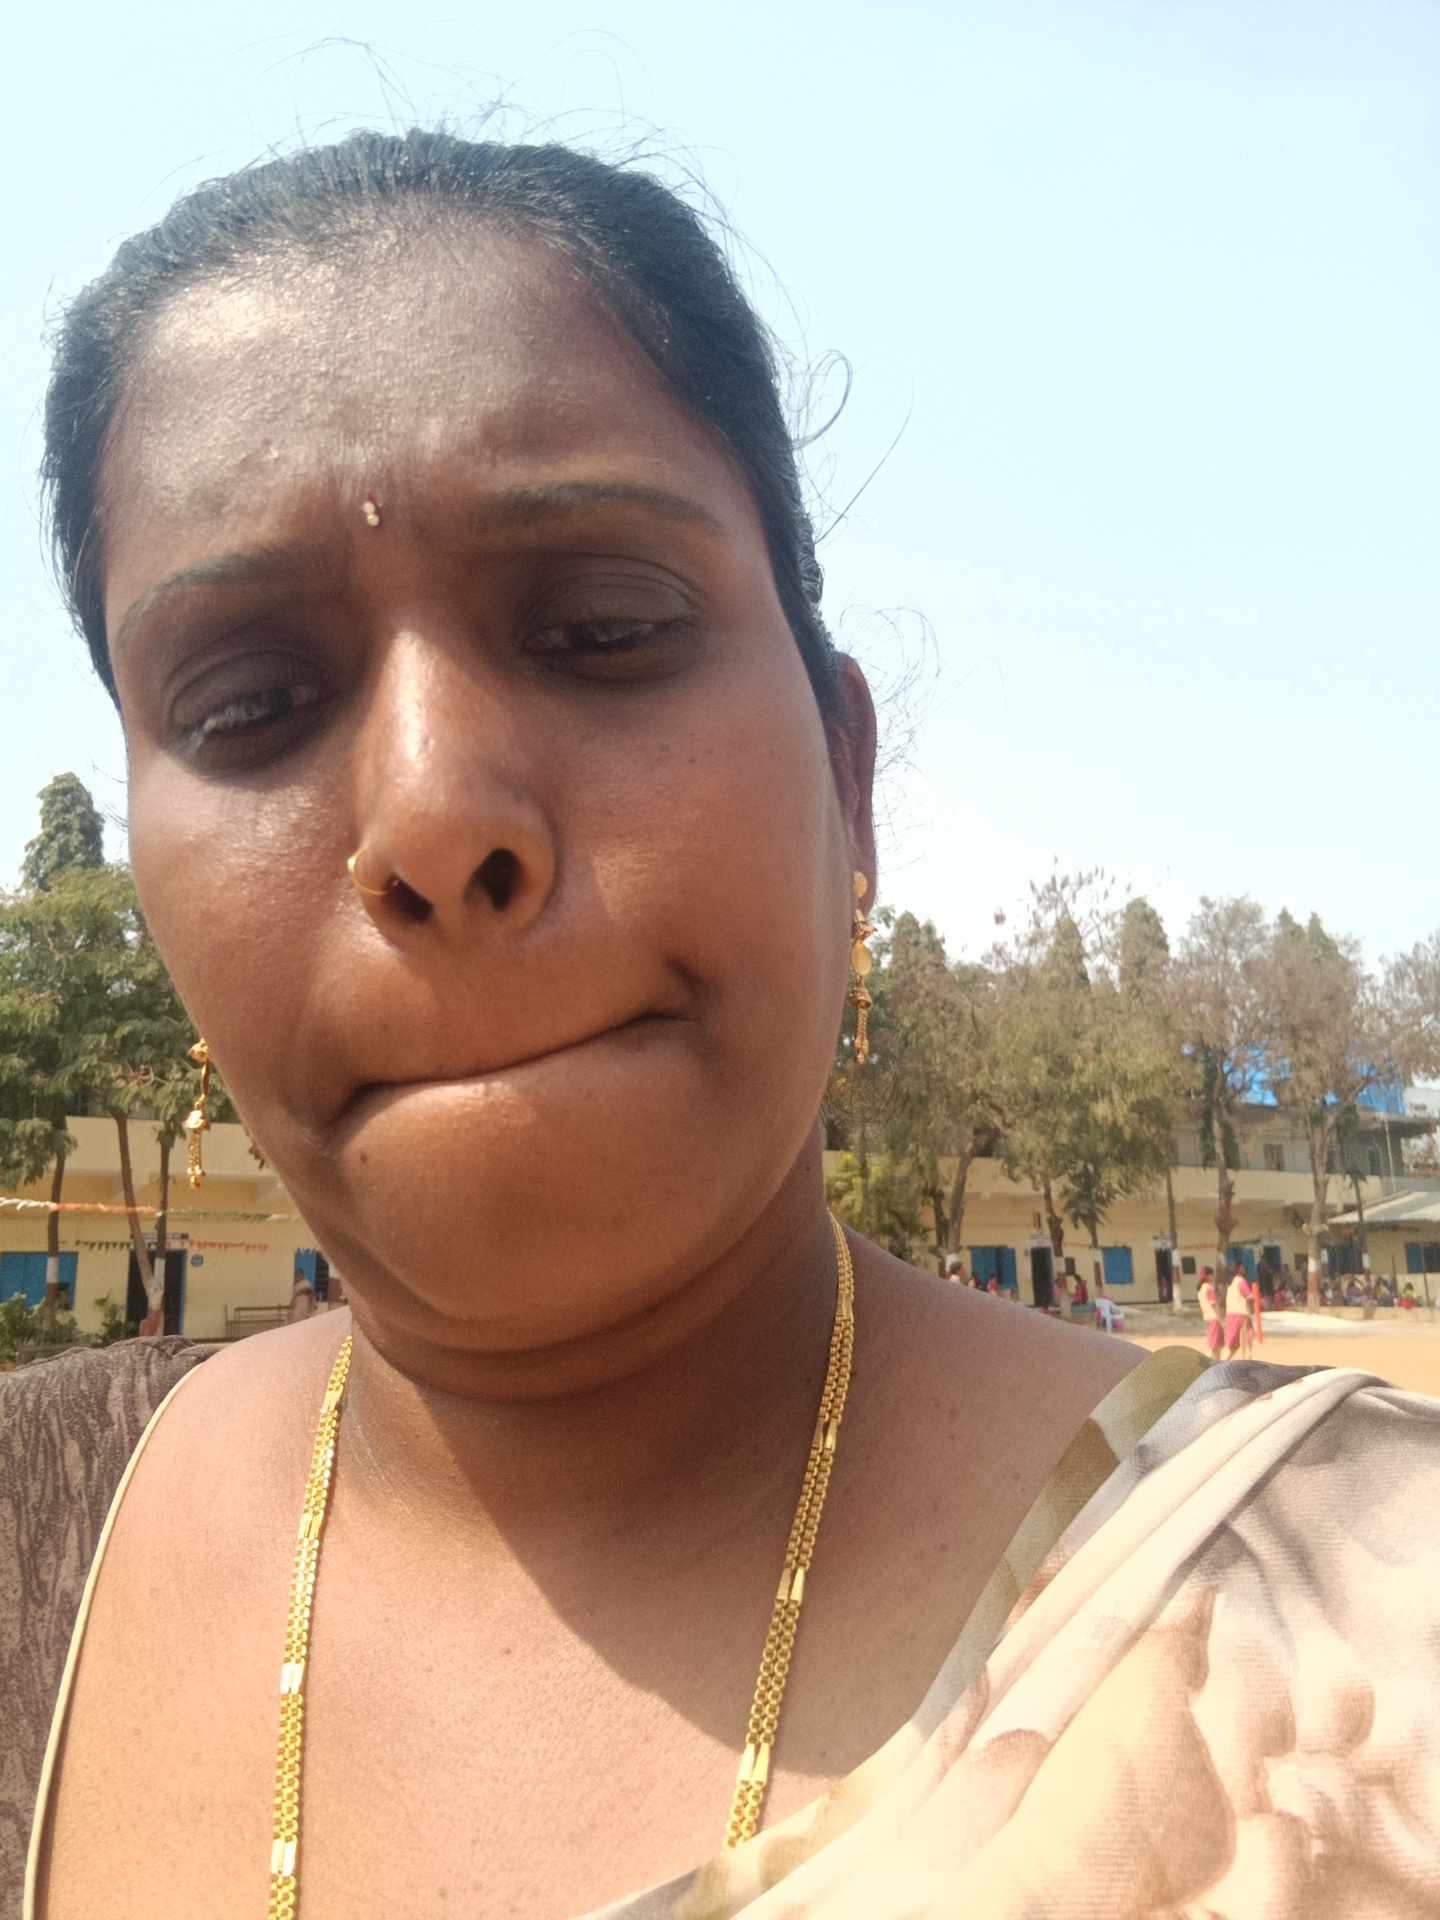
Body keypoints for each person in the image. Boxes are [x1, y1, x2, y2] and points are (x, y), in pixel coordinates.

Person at [5, 126, 1440, 1919]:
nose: (436, 818)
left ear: (848, 779)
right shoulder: (36, 1539)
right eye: (251, 703)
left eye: (602, 627)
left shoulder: (1378, 1628)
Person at [1224, 1261, 1255, 1361]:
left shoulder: (1230, 1282)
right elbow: (1249, 1297)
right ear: (1238, 1269)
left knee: (1233, 1343)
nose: (1244, 1269)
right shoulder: (1241, 1281)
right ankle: (1246, 1357)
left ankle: (1224, 1360)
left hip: (1230, 1313)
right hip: (1241, 1313)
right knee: (1245, 1337)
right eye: (1242, 1267)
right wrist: (1254, 1301)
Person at [1197, 1266, 1223, 1360]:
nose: (1213, 1276)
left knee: (1213, 1343)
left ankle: (1217, 1361)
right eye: (1212, 1274)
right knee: (1215, 1345)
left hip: (1207, 1317)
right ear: (1208, 1276)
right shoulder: (1209, 1288)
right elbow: (1214, 1305)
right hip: (1214, 1317)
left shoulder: (1201, 1289)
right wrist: (1220, 1318)